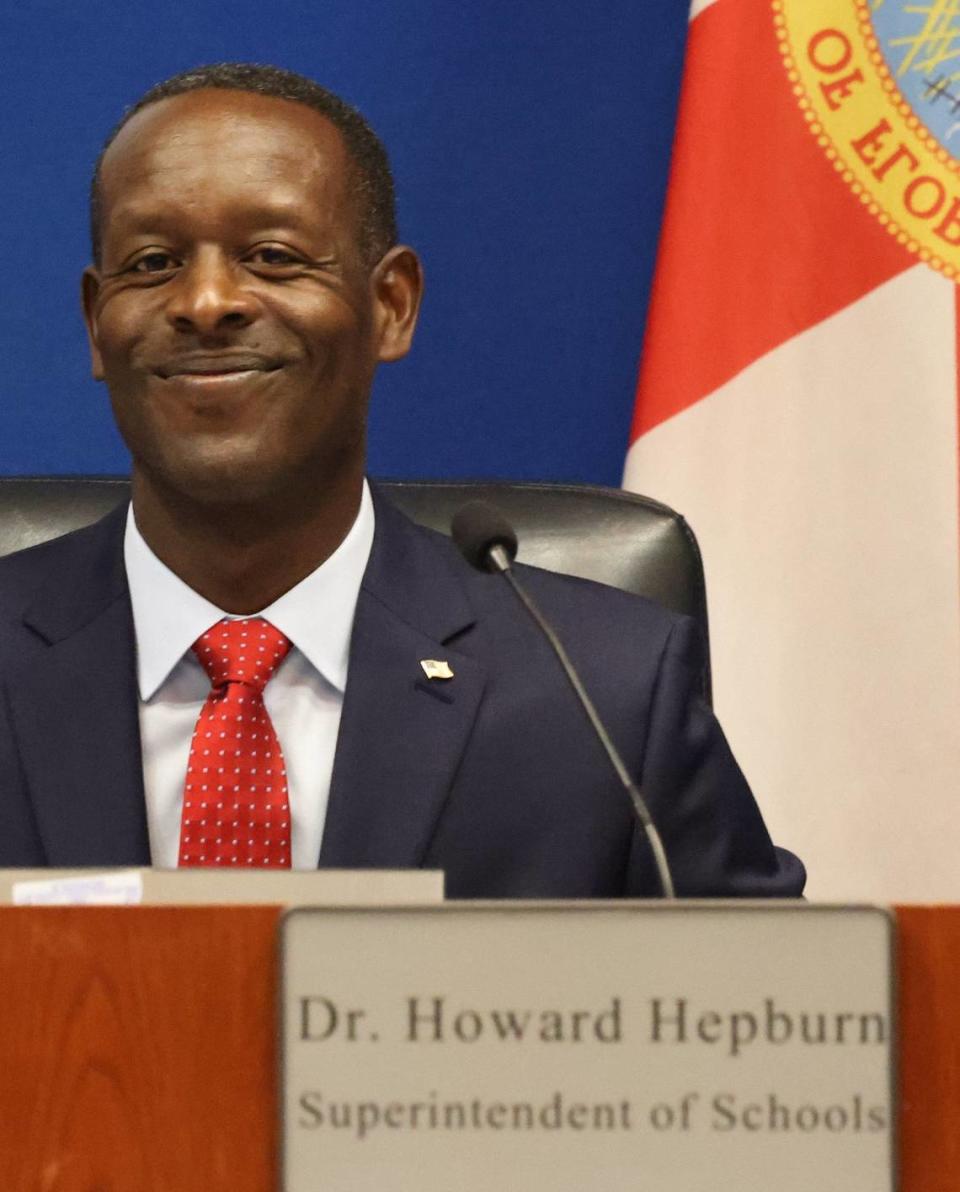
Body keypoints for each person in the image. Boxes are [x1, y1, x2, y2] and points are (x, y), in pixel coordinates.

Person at [0, 64, 804, 897]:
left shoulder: (605, 696)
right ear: (97, 323)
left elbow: (776, 1008)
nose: (206, 301)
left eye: (271, 257)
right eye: (154, 262)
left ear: (391, 305)